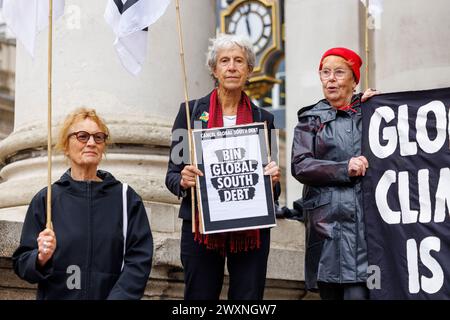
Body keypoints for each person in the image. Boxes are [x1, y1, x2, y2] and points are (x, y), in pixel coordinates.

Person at [165, 34, 281, 300]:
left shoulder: (265, 119)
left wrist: (273, 180)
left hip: (251, 232)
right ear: (214, 69)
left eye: (239, 61)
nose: (232, 67)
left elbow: (275, 191)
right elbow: (171, 176)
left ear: (249, 70)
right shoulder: (190, 112)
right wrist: (183, 179)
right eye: (225, 61)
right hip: (200, 231)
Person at [12, 108, 153, 300]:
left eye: (99, 137)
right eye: (82, 136)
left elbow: (139, 260)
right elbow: (22, 264)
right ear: (66, 146)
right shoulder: (47, 199)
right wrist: (40, 258)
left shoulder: (126, 198)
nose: (91, 143)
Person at [291, 47, 379, 300]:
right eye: (325, 72)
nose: (331, 78)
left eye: (339, 72)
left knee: (370, 290)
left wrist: (381, 106)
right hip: (327, 229)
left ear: (354, 79)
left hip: (368, 230)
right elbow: (300, 164)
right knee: (331, 291)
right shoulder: (310, 119)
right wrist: (343, 168)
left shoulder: (371, 112)